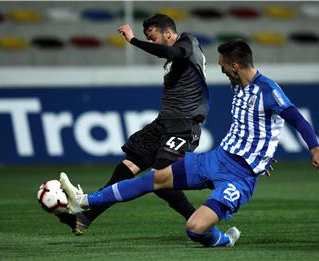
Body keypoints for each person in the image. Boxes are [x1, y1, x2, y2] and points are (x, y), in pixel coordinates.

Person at [60, 39, 319, 247]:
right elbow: (255, 128)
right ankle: (83, 202)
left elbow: (297, 119)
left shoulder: (269, 90)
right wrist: (262, 155)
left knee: (194, 229)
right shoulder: (239, 85)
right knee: (155, 178)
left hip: (238, 178)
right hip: (216, 158)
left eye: (223, 66)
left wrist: (315, 148)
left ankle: (225, 240)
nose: (221, 69)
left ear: (235, 66)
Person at [57, 13, 210, 235]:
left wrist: (133, 41)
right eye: (148, 38)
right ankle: (85, 218)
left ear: (169, 33)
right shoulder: (173, 60)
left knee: (161, 178)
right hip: (163, 123)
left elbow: (170, 51)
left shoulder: (188, 42)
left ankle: (198, 221)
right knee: (127, 167)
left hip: (184, 125)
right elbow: (167, 54)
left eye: (153, 37)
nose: (151, 42)